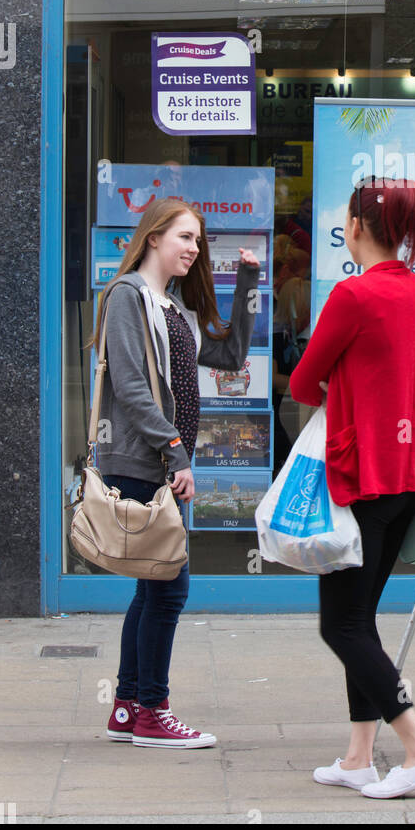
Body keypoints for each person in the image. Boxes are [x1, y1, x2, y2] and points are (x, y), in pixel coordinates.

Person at [289, 177, 415, 799]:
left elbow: (304, 383)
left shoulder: (351, 296)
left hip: (362, 478)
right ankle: (359, 756)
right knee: (361, 619)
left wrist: (338, 387)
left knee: (343, 627)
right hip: (409, 475)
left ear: (356, 225)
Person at [90, 197, 260, 749]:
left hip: (165, 466)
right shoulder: (127, 298)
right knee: (168, 592)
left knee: (151, 591)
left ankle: (124, 706)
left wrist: (249, 283)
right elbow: (133, 388)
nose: (193, 248)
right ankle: (151, 712)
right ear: (155, 235)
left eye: (198, 240)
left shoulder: (174, 309)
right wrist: (176, 454)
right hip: (147, 463)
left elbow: (232, 356)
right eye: (185, 237)